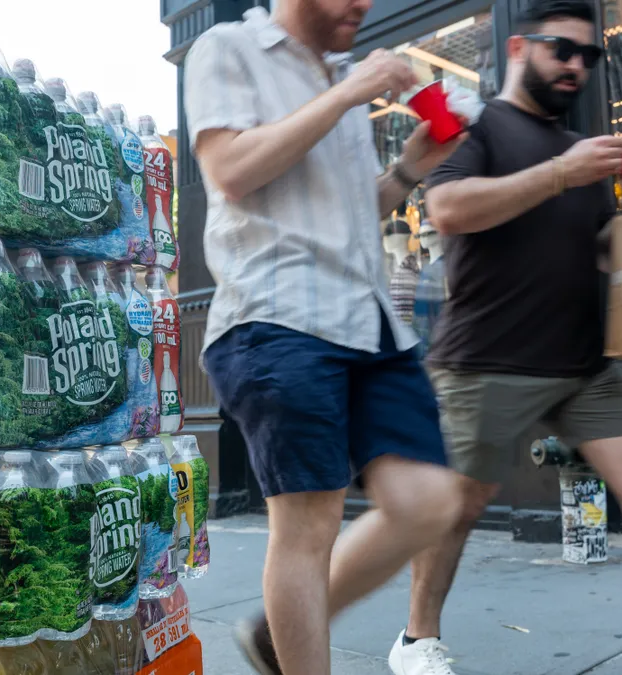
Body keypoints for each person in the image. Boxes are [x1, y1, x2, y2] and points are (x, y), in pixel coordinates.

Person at [385, 2, 622, 675]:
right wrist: (561, 174)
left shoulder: (578, 150)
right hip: (487, 356)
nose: (577, 66)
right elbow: (446, 209)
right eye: (564, 49)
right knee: (459, 504)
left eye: (591, 56)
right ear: (521, 47)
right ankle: (416, 638)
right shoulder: (480, 128)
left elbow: (600, 251)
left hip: (587, 361)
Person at [182, 2, 470, 674]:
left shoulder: (343, 73)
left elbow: (346, 214)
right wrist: (347, 94)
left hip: (367, 319)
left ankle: (272, 632)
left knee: (431, 500)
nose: (364, 4)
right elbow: (229, 170)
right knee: (308, 526)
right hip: (274, 314)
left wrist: (407, 171)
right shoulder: (228, 47)